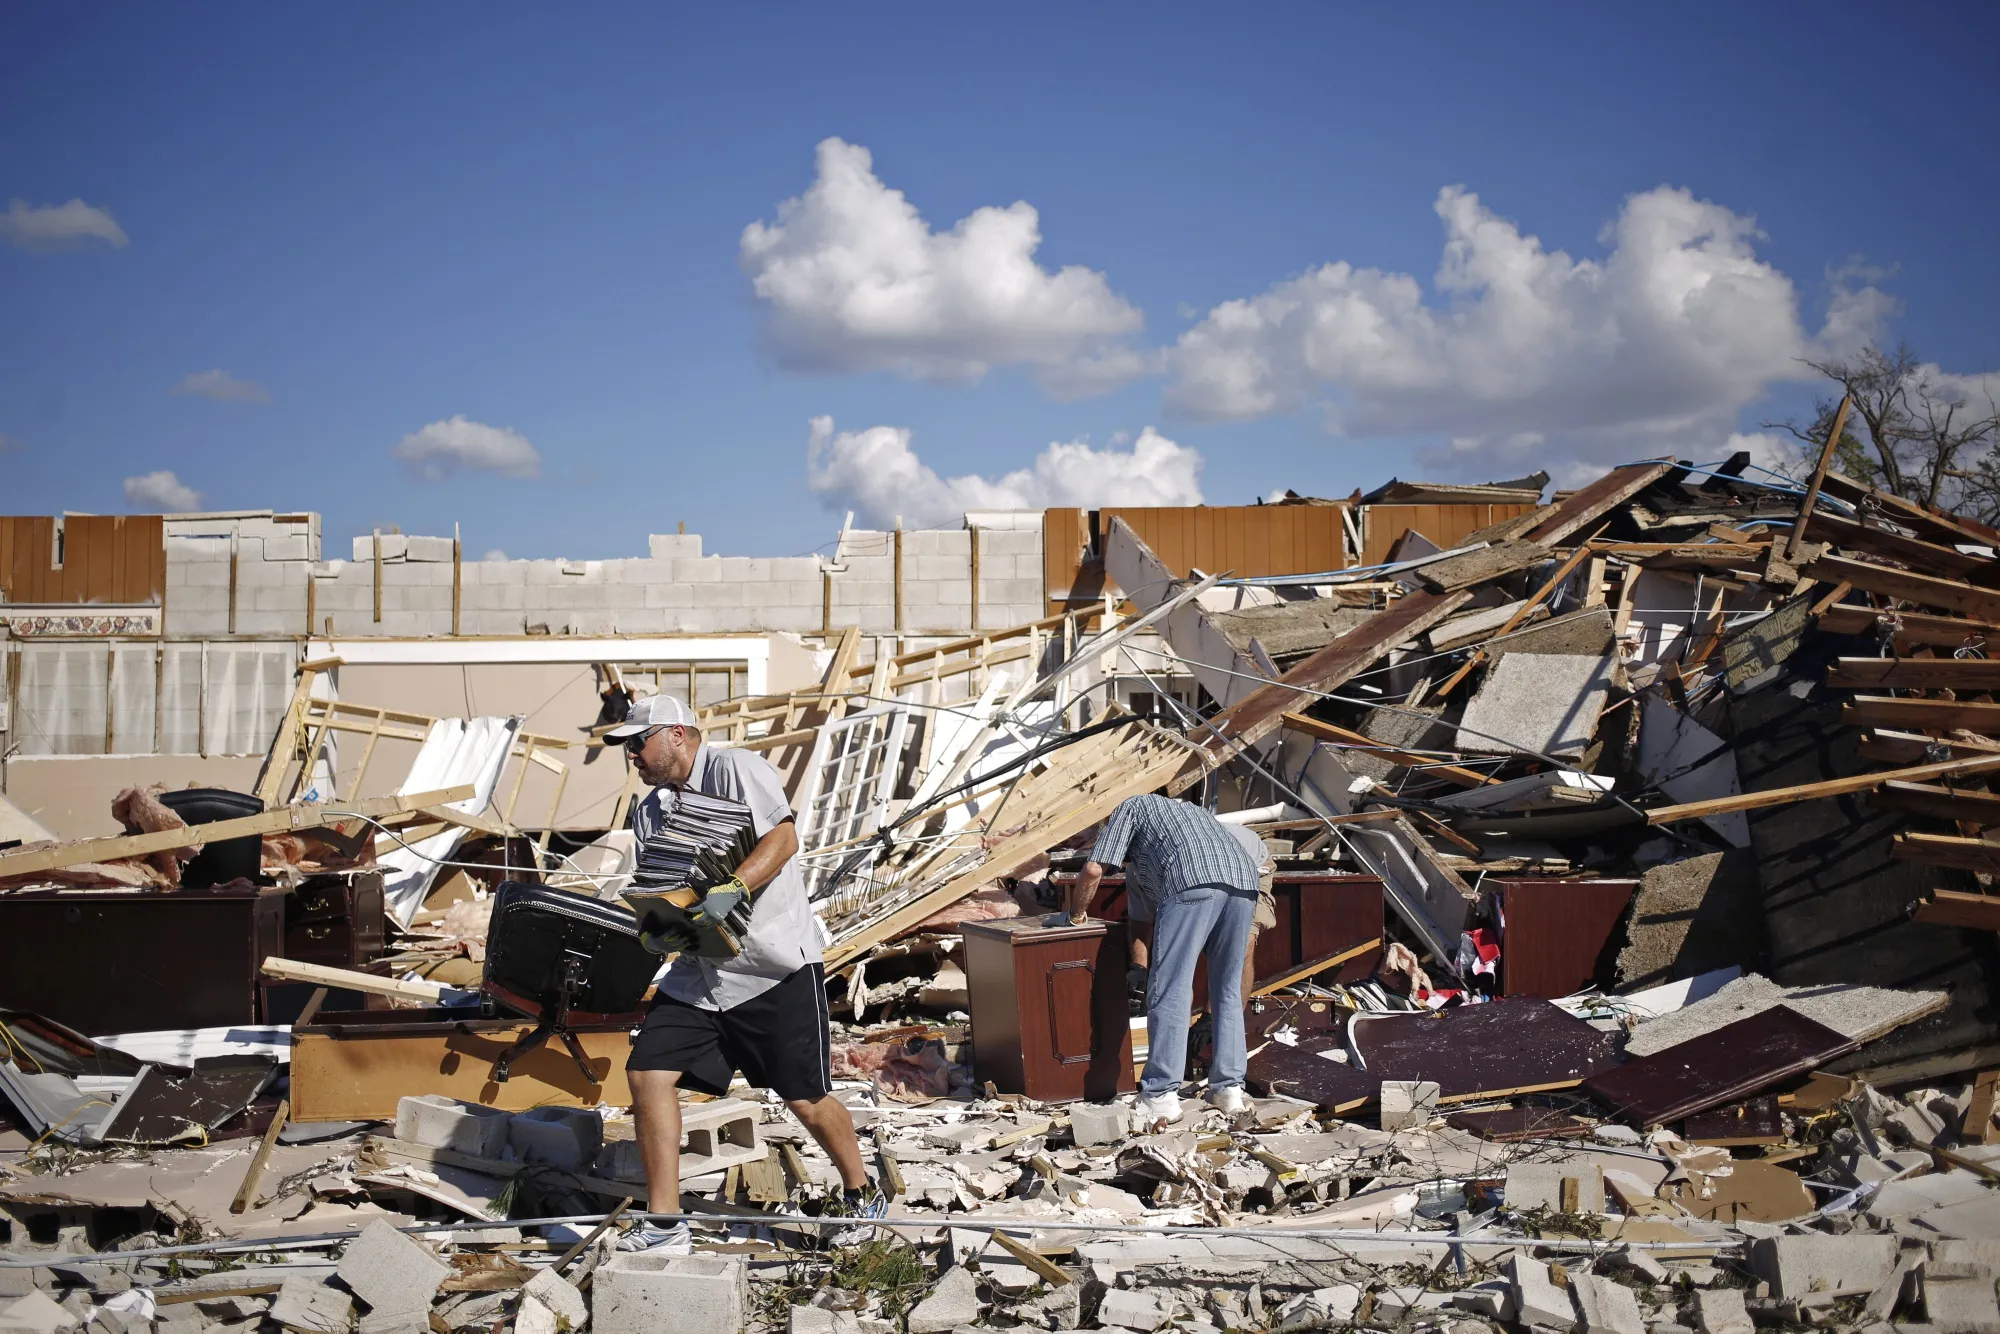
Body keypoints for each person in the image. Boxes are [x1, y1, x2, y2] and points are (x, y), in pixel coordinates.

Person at [605, 694, 884, 1253]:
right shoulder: (652, 811)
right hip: (701, 973)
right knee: (646, 1073)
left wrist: (733, 886)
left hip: (771, 965)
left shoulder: (737, 768)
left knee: (804, 1099)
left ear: (677, 733)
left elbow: (783, 838)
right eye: (627, 747)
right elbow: (663, 892)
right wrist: (654, 934)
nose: (631, 756)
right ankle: (665, 1224)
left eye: (638, 742)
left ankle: (861, 1192)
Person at [1065, 793, 1261, 1124]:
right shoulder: (1187, 816)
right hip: (1244, 880)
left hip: (1193, 879)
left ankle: (1160, 1095)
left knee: (1171, 985)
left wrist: (1075, 914)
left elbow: (1095, 868)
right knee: (1227, 989)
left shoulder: (1129, 806)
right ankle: (1229, 1089)